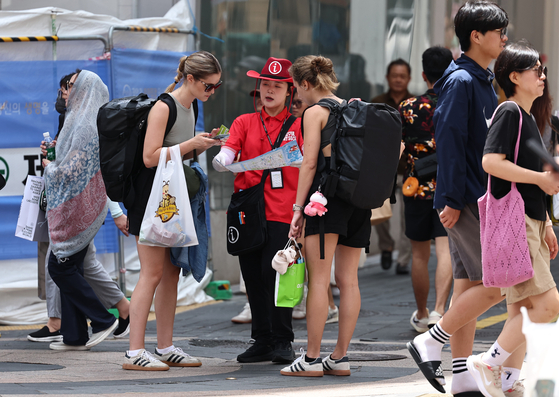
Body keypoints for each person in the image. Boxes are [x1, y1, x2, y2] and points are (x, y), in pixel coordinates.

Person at [406, 3, 514, 396]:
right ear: (476, 36)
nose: (504, 38)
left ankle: (463, 375)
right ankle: (431, 339)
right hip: (466, 197)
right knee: (497, 281)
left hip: (474, 195)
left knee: (469, 285)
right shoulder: (462, 82)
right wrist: (449, 198)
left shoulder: (481, 79)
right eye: (499, 31)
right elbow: (449, 142)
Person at [466, 41, 559, 397]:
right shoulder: (510, 112)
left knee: (520, 307)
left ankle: (507, 380)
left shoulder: (527, 117)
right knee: (549, 304)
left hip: (531, 221)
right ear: (515, 76)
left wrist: (547, 223)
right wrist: (539, 180)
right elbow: (491, 162)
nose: (542, 77)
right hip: (518, 223)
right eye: (537, 70)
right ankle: (489, 362)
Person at [124, 51, 222, 371]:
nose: (211, 92)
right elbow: (150, 157)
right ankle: (134, 350)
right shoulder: (163, 106)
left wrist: (197, 144)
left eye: (216, 87)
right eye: (208, 86)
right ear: (190, 79)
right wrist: (192, 144)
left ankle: (165, 345)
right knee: (151, 273)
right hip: (151, 198)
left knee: (171, 274)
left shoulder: (191, 104)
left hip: (172, 197)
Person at [280, 55, 371, 377]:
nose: (296, 95)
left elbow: (308, 164)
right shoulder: (355, 108)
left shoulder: (315, 113)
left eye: (295, 88)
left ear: (306, 83)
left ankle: (312, 358)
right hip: (359, 201)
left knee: (319, 280)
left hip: (325, 199)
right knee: (349, 280)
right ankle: (340, 357)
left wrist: (296, 209)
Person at [212, 57, 303, 364]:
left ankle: (282, 339)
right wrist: (222, 158)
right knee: (251, 274)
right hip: (248, 209)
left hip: (282, 209)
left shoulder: (299, 125)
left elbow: (309, 162)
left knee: (275, 273)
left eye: (276, 85)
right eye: (265, 84)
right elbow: (229, 150)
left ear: (289, 91)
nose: (269, 90)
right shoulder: (244, 122)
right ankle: (261, 339)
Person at [42, 70, 119, 351]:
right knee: (71, 267)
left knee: (59, 267)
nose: (67, 90)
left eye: (73, 85)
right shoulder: (80, 116)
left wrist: (51, 168)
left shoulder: (87, 122)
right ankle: (74, 336)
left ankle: (102, 319)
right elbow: (72, 156)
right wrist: (53, 152)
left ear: (85, 89)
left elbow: (74, 170)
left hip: (78, 207)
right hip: (75, 205)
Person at [400, 47, 453, 333]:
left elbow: (399, 144)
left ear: (423, 74)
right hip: (448, 187)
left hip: (416, 187)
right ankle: (439, 310)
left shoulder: (408, 106)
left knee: (419, 254)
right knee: (445, 250)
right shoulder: (455, 102)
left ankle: (421, 313)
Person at [371, 59, 414, 274]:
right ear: (387, 78)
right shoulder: (376, 102)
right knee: (379, 211)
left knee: (408, 217)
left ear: (409, 79)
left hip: (409, 170)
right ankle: (386, 245)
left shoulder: (415, 104)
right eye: (394, 75)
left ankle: (403, 260)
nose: (398, 79)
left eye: (402, 76)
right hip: (382, 168)